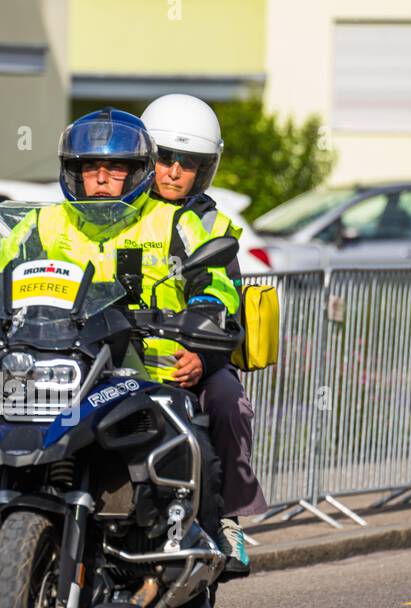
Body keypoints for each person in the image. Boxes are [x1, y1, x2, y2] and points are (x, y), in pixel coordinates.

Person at [0, 108, 238, 608]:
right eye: (91, 167)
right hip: (50, 370)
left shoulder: (175, 223)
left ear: (139, 170)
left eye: (115, 170)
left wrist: (207, 307)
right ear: (72, 170)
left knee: (194, 446)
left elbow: (217, 282)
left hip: (140, 372)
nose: (102, 179)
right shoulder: (41, 224)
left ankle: (194, 584)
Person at [141, 93, 268, 573]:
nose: (173, 171)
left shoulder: (213, 226)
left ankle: (229, 519)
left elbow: (227, 306)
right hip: (120, 352)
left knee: (228, 400)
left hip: (193, 358)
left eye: (188, 162)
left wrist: (203, 355)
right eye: (164, 158)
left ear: (205, 168)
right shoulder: (118, 217)